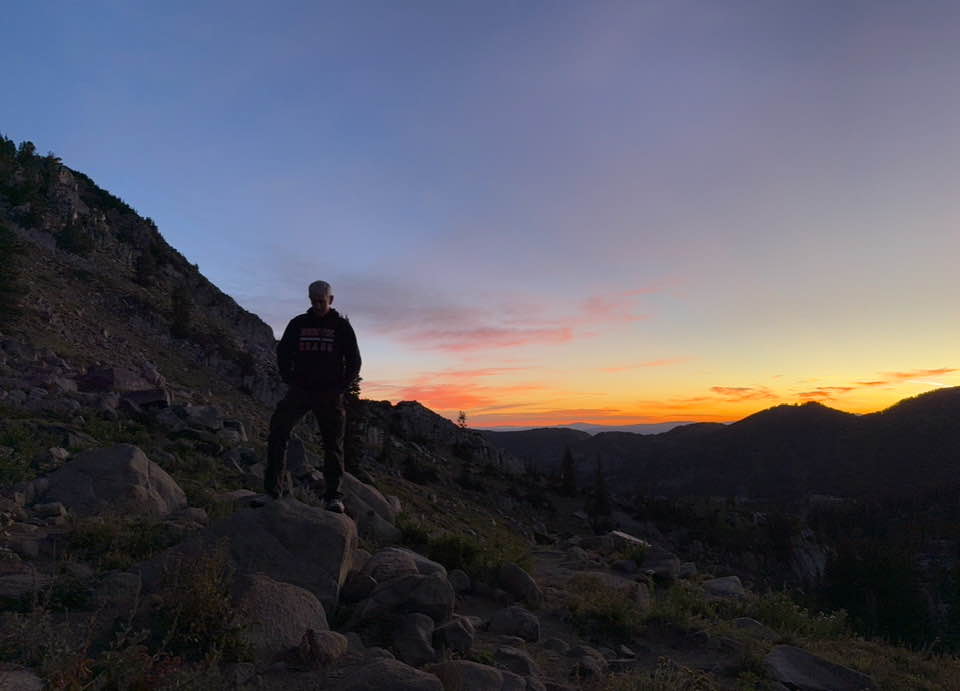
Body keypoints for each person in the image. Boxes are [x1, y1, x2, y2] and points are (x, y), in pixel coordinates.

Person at [265, 280, 361, 512]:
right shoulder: (298, 324)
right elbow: (283, 351)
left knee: (332, 445)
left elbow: (354, 361)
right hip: (300, 391)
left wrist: (340, 387)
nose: (317, 305)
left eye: (322, 301)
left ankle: (333, 497)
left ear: (331, 299)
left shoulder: (341, 327)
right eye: (313, 301)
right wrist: (289, 378)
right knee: (278, 430)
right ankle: (272, 492)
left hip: (329, 394)